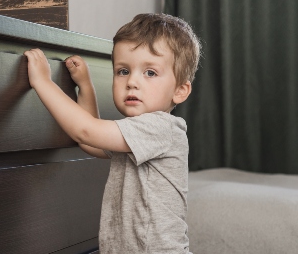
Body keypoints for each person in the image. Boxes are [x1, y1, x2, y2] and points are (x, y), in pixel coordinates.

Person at [24, 13, 200, 254]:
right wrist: (85, 86)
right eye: (123, 71)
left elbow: (87, 131)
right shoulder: (133, 133)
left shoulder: (163, 128)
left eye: (150, 73)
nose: (132, 82)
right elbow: (91, 143)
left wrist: (43, 82)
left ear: (180, 91)